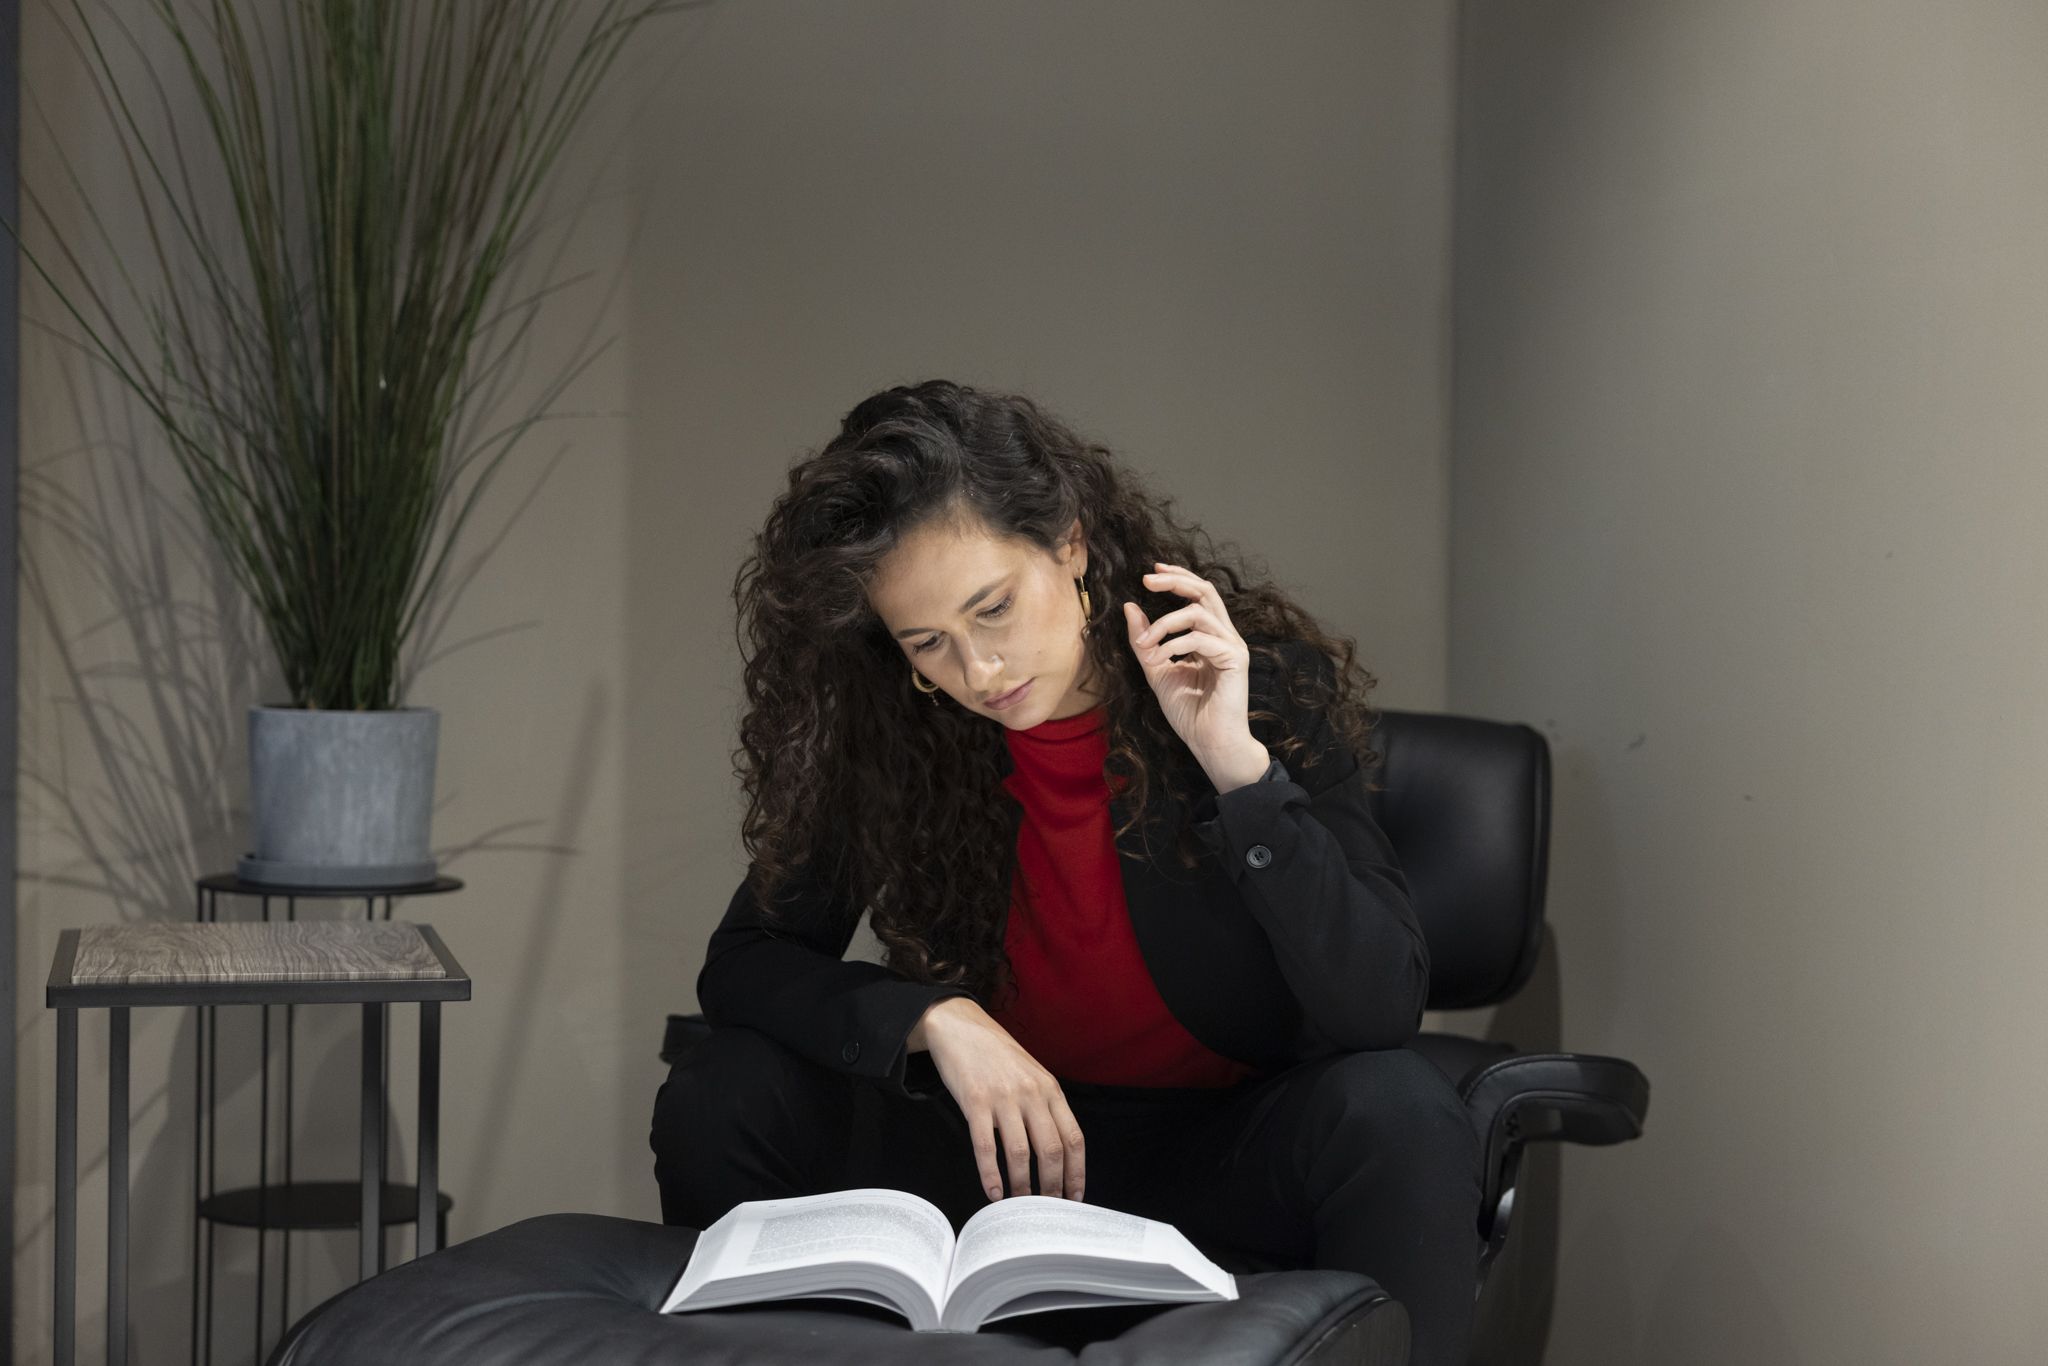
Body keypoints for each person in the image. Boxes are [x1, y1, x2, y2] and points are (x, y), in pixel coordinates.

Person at [649, 379, 1481, 1364]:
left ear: (1071, 542)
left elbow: (1377, 1006)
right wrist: (927, 1015)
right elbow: (744, 962)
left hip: (1219, 1147)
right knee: (722, 1086)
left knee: (1397, 1108)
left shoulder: (1250, 685)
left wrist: (1236, 769)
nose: (979, 670)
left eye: (992, 608)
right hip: (999, 1151)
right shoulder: (898, 734)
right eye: (928, 642)